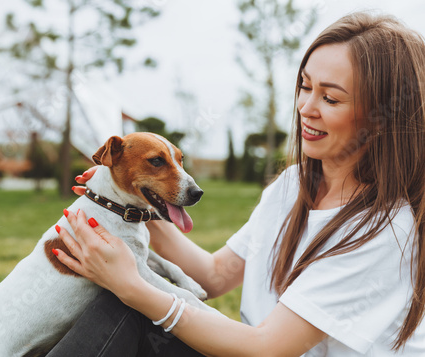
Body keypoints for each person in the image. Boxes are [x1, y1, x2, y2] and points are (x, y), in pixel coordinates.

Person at [47, 11, 425, 356]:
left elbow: (268, 348)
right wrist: (131, 203)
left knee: (128, 301)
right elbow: (214, 276)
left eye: (329, 97)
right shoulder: (293, 186)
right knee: (124, 306)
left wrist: (131, 286)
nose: (306, 107)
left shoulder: (385, 231)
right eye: (305, 86)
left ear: (381, 117)